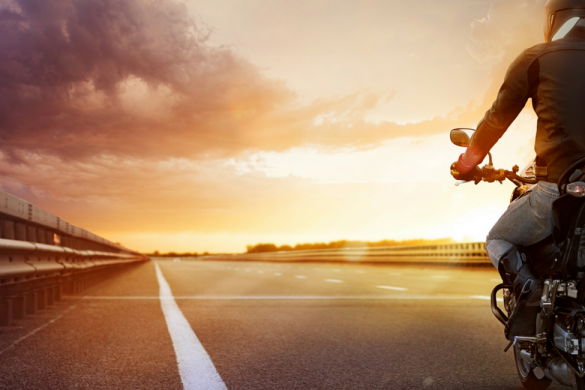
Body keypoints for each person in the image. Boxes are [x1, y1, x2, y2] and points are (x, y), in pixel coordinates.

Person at [451, 0, 585, 339]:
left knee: (499, 237)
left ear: (553, 19)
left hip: (558, 185)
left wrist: (467, 165)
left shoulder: (536, 59)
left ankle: (530, 291)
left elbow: (497, 118)